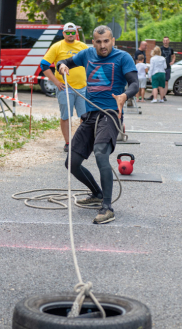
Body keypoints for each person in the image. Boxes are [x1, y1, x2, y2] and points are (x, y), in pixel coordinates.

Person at [57, 25, 138, 224]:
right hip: (90, 115)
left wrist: (124, 96)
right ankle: (97, 193)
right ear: (93, 42)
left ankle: (107, 207)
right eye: (98, 42)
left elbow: (135, 83)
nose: (103, 45)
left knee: (101, 153)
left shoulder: (123, 58)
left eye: (106, 41)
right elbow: (63, 61)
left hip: (110, 114)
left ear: (113, 41)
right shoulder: (87, 54)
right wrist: (62, 66)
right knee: (71, 163)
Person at [40, 22, 88, 152]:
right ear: (64, 33)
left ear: (76, 33)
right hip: (65, 88)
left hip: (82, 88)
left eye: (73, 32)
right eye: (68, 32)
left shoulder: (83, 46)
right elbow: (44, 65)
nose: (71, 34)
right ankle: (68, 143)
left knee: (85, 117)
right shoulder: (57, 46)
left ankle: (82, 142)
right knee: (66, 116)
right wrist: (56, 82)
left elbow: (92, 62)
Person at [161, 36, 175, 101]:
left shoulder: (171, 49)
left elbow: (173, 56)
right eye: (164, 40)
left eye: (167, 40)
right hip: (161, 68)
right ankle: (158, 94)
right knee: (161, 82)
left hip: (168, 67)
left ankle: (164, 96)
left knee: (166, 82)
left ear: (169, 41)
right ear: (163, 41)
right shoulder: (160, 48)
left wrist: (172, 61)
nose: (165, 42)